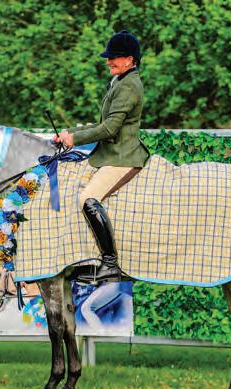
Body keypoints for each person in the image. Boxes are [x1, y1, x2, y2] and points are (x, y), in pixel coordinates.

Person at [56, 30, 150, 282]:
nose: (109, 61)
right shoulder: (120, 80)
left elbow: (109, 129)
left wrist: (75, 139)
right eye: (109, 57)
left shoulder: (129, 86)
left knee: (87, 198)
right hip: (110, 154)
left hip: (123, 157)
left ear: (130, 60)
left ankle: (110, 263)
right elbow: (101, 124)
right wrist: (69, 133)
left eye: (114, 57)